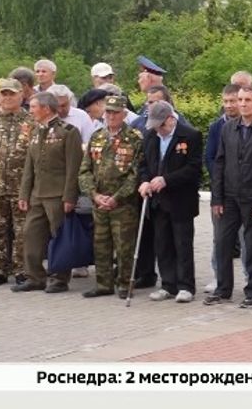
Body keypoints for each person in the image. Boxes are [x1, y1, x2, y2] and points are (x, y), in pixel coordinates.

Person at [207, 85, 252, 308]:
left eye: (248, 100)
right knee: (223, 243)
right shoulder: (228, 129)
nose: (242, 104)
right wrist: (216, 198)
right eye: (240, 99)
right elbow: (219, 163)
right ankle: (223, 288)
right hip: (229, 196)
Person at [13, 92, 83, 293]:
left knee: (59, 237)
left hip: (57, 194)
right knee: (31, 233)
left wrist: (70, 196)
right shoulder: (35, 131)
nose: (31, 110)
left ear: (46, 108)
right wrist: (24, 194)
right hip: (37, 193)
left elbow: (73, 167)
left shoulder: (68, 132)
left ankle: (60, 278)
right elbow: (29, 166)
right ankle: (35, 276)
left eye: (34, 107)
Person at [78, 95, 143, 299]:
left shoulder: (134, 138)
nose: (111, 116)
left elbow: (136, 173)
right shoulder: (97, 136)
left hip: (123, 204)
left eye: (116, 112)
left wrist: (117, 197)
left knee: (124, 246)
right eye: (108, 112)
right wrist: (94, 195)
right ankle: (103, 283)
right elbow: (84, 171)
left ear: (124, 114)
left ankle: (125, 284)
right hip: (100, 201)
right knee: (101, 244)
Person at [138, 101, 203, 303]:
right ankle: (168, 284)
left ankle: (186, 286)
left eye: (161, 124)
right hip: (157, 201)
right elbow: (143, 164)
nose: (158, 129)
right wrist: (145, 181)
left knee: (182, 244)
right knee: (162, 244)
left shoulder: (190, 135)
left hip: (181, 200)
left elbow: (193, 169)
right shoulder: (150, 136)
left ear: (170, 119)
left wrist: (167, 180)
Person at [0, 79, 31, 287]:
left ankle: (21, 268)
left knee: (22, 229)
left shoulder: (30, 121)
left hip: (21, 186)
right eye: (4, 94)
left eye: (11, 94)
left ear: (21, 95)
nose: (7, 98)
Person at [203, 84, 241, 292]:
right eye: (225, 101)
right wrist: (221, 179)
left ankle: (249, 278)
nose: (229, 105)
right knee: (220, 238)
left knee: (247, 239)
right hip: (222, 190)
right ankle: (219, 278)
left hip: (245, 192)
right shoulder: (216, 127)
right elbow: (210, 157)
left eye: (233, 101)